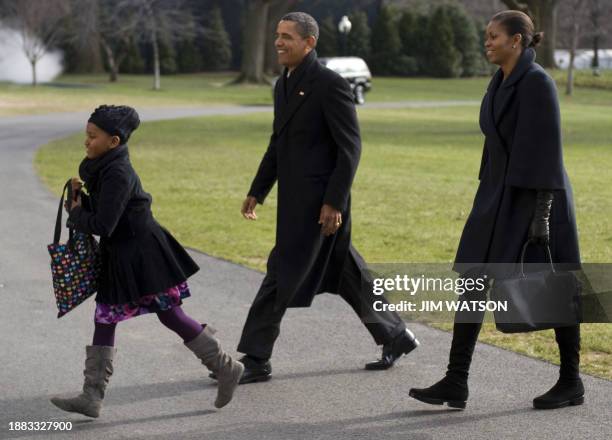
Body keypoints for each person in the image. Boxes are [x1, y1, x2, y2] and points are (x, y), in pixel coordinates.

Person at [218, 12, 419, 384]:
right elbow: (278, 143)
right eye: (277, 35)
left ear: (309, 43)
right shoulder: (283, 83)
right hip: (296, 203)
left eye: (287, 37)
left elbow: (350, 148)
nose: (279, 42)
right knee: (345, 273)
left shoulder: (329, 84)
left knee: (281, 271)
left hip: (321, 206)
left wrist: (334, 202)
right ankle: (396, 335)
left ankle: (257, 357)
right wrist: (257, 190)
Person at [409, 11, 582, 410]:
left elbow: (547, 152)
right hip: (495, 197)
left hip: (537, 200)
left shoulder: (537, 84)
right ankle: (456, 381)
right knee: (471, 280)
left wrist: (541, 217)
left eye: (494, 36)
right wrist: (484, 191)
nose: (487, 42)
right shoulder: (500, 80)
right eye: (486, 36)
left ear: (518, 40)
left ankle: (572, 380)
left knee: (552, 287)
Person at [50, 105, 243, 418]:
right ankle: (91, 397)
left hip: (142, 254)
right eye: (86, 135)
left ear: (113, 141)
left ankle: (226, 367)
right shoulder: (102, 166)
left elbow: (103, 224)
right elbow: (105, 213)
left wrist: (77, 213)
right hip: (123, 253)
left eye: (92, 136)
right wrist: (81, 202)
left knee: (170, 315)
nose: (86, 141)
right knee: (106, 318)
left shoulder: (117, 172)